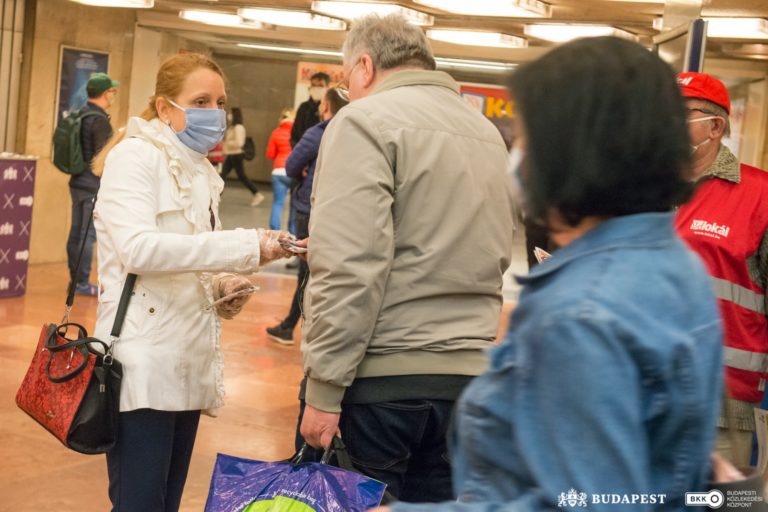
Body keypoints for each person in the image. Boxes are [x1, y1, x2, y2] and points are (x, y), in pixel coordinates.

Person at [373, 37, 724, 512]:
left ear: (572, 149)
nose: (517, 152)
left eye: (528, 136)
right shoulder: (670, 262)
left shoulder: (582, 313)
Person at [297, 14, 515, 502]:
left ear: (366, 66)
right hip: (465, 386)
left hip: (380, 387)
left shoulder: (363, 120)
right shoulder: (485, 134)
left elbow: (352, 269)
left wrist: (325, 389)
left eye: (346, 74)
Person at [91, 53, 292, 511]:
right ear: (165, 108)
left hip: (188, 361)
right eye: (200, 100)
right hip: (141, 365)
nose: (214, 112)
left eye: (220, 101)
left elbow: (193, 253)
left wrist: (222, 284)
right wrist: (243, 246)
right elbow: (138, 249)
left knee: (167, 503)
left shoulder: (202, 170)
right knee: (139, 503)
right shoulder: (135, 157)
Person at [675, 71, 768, 469]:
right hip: (632, 397)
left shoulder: (760, 197)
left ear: (714, 127)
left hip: (721, 410)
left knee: (721, 503)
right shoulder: (635, 187)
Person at [266, 88, 348, 346]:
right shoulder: (355, 134)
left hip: (310, 208)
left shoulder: (319, 132)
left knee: (307, 270)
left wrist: (304, 169)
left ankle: (292, 327)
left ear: (325, 106)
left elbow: (291, 166)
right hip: (341, 209)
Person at [66, 72, 118, 296]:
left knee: (76, 232)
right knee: (88, 236)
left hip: (77, 181)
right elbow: (104, 157)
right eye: (112, 91)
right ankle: (83, 282)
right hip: (91, 185)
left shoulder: (80, 115)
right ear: (106, 94)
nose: (114, 95)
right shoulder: (99, 121)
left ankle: (74, 280)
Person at [221, 106, 263, 206]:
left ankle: (257, 193)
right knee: (223, 175)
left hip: (236, 154)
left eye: (230, 113)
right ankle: (216, 194)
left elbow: (240, 143)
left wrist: (227, 143)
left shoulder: (239, 128)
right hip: (232, 154)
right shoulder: (233, 127)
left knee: (241, 176)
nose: (229, 115)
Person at [266, 108, 296, 233]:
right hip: (293, 171)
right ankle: (293, 231)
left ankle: (275, 231)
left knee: (278, 203)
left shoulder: (276, 132)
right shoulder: (297, 133)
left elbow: (270, 154)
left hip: (278, 171)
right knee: (294, 204)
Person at [291, 72, 330, 147]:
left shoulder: (331, 108)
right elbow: (295, 134)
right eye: (314, 85)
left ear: (327, 88)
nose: (317, 88)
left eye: (321, 86)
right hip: (303, 150)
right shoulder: (304, 107)